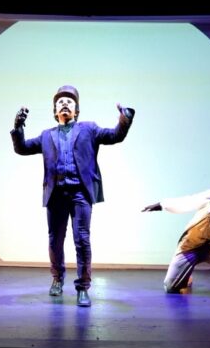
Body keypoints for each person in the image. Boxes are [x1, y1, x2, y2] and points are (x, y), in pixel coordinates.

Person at [11, 85, 135, 307]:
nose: (65, 104)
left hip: (80, 194)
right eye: (60, 102)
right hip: (56, 194)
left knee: (82, 240)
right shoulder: (46, 135)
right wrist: (18, 127)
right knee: (55, 240)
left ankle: (83, 287)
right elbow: (22, 148)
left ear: (76, 110)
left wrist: (124, 119)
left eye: (69, 101)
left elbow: (115, 135)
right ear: (55, 111)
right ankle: (57, 279)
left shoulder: (89, 129)